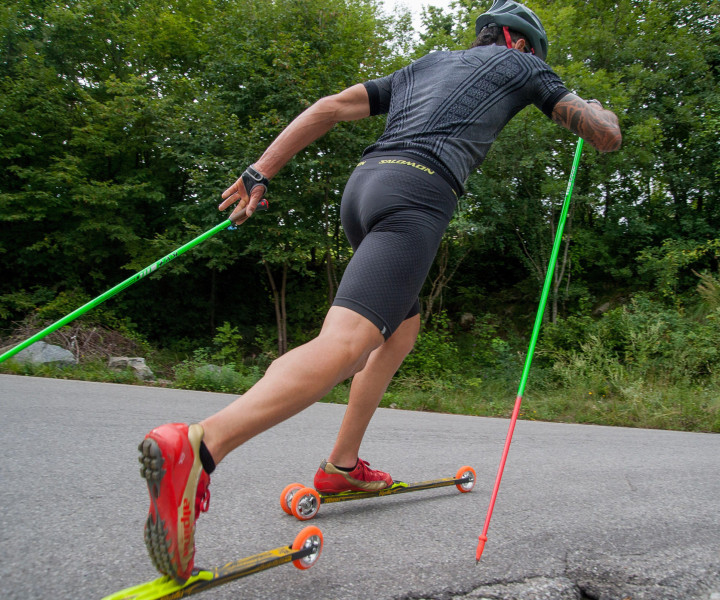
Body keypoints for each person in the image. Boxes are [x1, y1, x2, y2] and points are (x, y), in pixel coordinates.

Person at [138, 0, 622, 583]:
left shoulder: (427, 65)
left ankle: (341, 465)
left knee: (402, 329)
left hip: (364, 192)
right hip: (417, 197)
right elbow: (604, 137)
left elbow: (329, 108)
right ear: (520, 44)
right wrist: (598, 110)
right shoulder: (521, 66)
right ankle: (201, 446)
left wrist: (260, 172)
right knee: (345, 344)